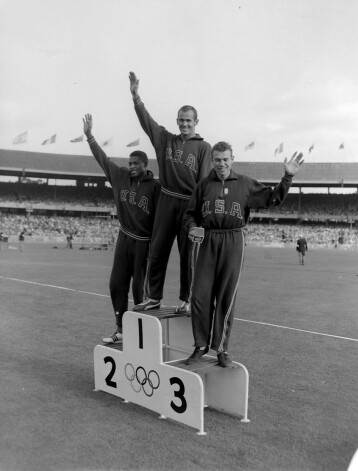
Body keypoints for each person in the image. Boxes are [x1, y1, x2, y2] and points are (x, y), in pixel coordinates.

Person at [183, 141, 304, 367]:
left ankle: (221, 350)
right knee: (199, 295)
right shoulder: (203, 186)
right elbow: (190, 215)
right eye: (217, 160)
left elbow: (272, 198)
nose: (221, 164)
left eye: (226, 159)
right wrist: (192, 228)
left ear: (232, 159)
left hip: (233, 239)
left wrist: (287, 177)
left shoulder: (245, 184)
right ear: (212, 160)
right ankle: (200, 345)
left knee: (226, 296)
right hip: (208, 239)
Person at [129, 71, 212, 313]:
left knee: (188, 256)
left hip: (189, 204)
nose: (184, 124)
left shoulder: (203, 148)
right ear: (177, 121)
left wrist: (199, 215)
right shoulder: (165, 139)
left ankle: (186, 299)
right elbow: (147, 122)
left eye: (189, 120)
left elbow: (204, 183)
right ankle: (153, 296)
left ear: (196, 122)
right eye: (181, 120)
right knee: (157, 251)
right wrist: (136, 97)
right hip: (166, 200)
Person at [83, 114, 161, 343]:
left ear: (146, 166)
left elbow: (161, 219)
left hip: (144, 243)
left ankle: (143, 335)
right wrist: (90, 136)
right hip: (124, 238)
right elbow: (103, 159)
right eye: (130, 163)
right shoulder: (120, 176)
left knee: (139, 291)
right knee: (116, 284)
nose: (132, 167)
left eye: (136, 164)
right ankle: (120, 329)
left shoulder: (155, 187)